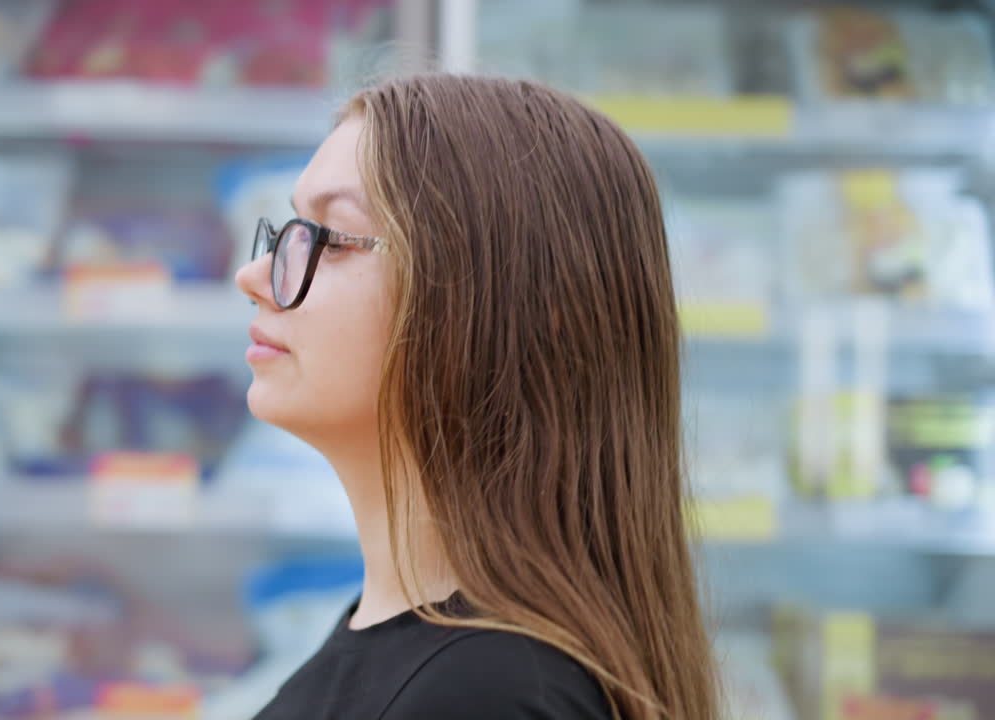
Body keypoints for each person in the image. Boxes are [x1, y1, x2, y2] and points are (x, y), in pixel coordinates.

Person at [235, 73, 718, 720]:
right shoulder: (407, 646)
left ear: (507, 303)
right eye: (289, 232)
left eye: (331, 239)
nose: (254, 277)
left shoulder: (488, 693)